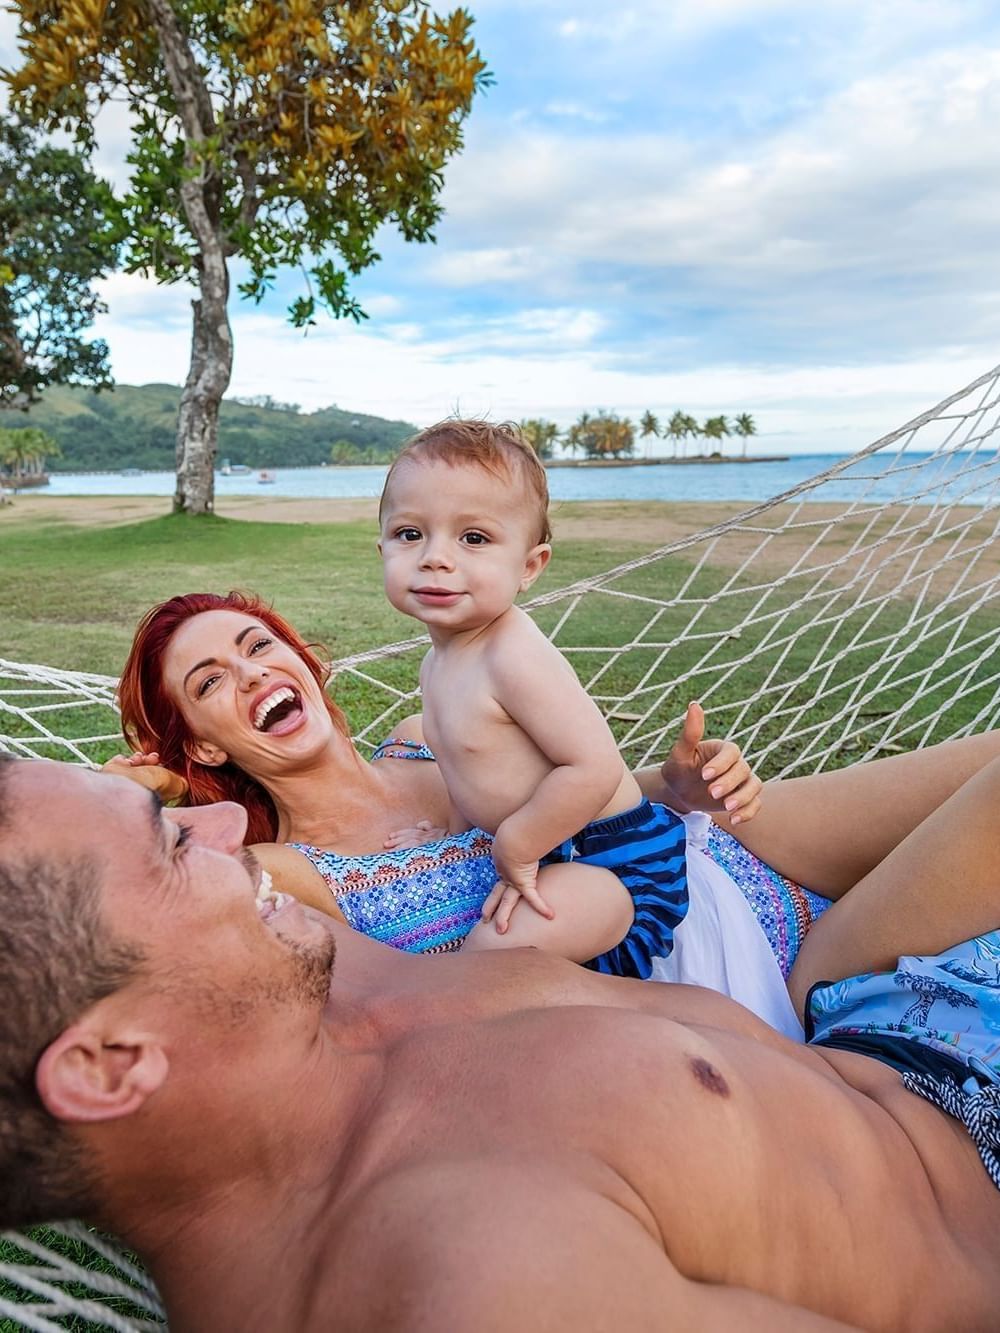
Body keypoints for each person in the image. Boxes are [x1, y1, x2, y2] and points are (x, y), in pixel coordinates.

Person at [4, 753, 1000, 1331]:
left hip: (878, 1015)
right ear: (108, 1063)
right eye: (173, 841)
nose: (223, 823)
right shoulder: (481, 1287)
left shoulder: (281, 990)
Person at [106, 589, 1000, 1040]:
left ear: (301, 662)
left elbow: (601, 802)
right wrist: (150, 785)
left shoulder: (430, 731)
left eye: (258, 645)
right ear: (206, 744)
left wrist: (680, 785)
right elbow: (101, 864)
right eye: (212, 683)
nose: (255, 672)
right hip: (768, 976)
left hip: (735, 846)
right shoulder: (288, 872)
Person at [377, 419, 687, 978]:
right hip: (552, 850)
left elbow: (593, 768)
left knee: (490, 953)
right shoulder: (437, 661)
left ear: (529, 567)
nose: (434, 557)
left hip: (612, 860)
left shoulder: (513, 656)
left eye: (473, 538)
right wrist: (450, 829)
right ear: (382, 547)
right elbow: (456, 756)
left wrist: (516, 845)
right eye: (409, 534)